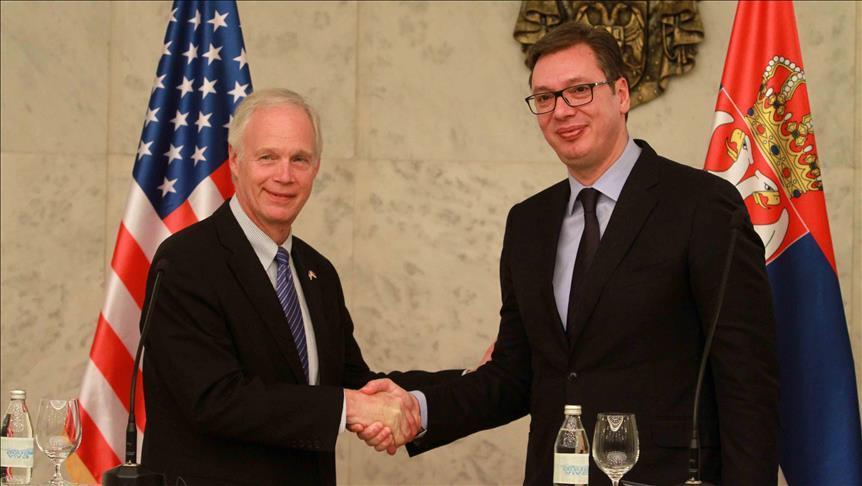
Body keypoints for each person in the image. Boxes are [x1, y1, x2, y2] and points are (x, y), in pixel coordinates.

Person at [356, 23, 779, 485]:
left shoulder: (702, 205)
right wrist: (419, 408)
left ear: (621, 94)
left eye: (579, 90)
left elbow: (747, 380)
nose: (561, 110)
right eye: (545, 97)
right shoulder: (528, 223)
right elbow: (516, 374)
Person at [139, 88, 469, 485]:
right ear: (235, 161)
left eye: (300, 159)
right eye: (268, 157)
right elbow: (214, 399)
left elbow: (354, 383)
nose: (284, 175)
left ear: (316, 168)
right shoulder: (186, 261)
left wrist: (474, 379)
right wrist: (350, 407)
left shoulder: (318, 272)